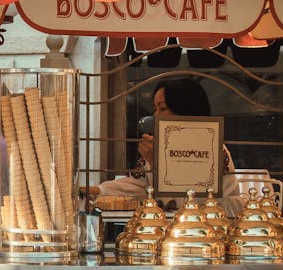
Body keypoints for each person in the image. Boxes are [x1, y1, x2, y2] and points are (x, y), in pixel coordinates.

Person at [84, 77, 244, 217]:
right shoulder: (159, 146)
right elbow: (138, 185)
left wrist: (158, 162)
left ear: (185, 110)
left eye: (163, 108)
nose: (155, 115)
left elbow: (192, 199)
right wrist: (98, 190)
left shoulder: (211, 148)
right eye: (155, 108)